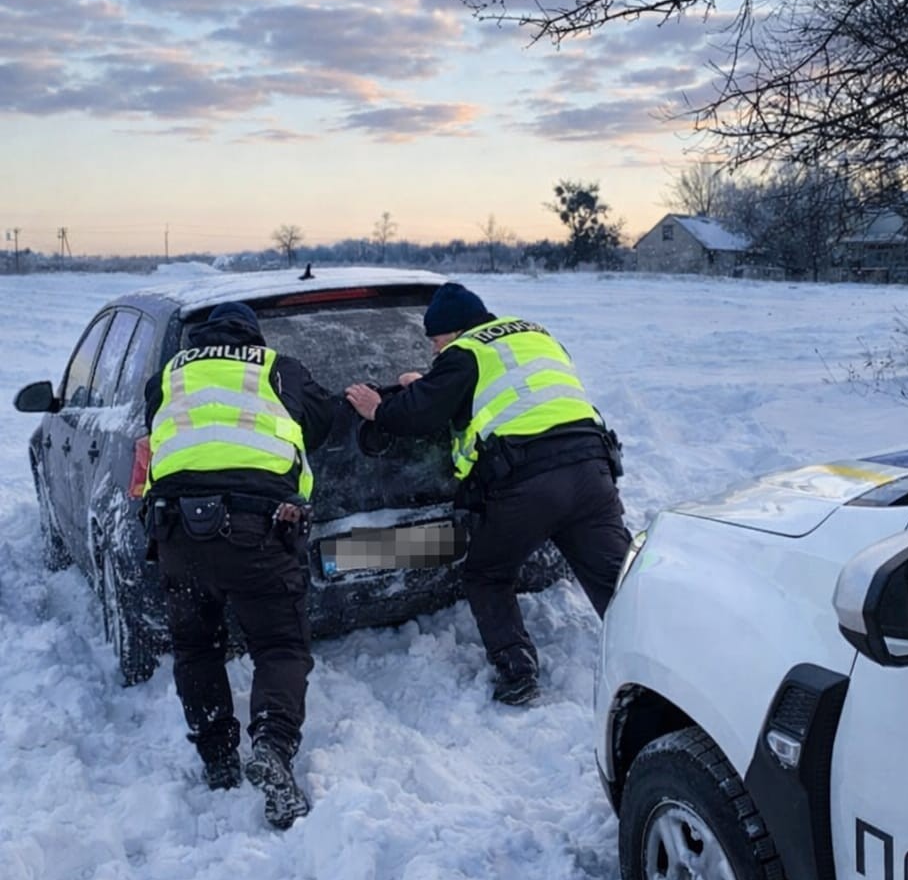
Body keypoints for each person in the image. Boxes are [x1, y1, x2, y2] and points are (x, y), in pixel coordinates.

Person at [345, 282, 631, 706]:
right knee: (616, 580)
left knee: (487, 574)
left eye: (437, 342)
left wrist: (378, 409)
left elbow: (422, 413)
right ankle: (663, 663)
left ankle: (517, 672)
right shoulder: (535, 335)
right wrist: (433, 381)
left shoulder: (464, 353)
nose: (435, 351)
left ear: (455, 331)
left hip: (528, 483)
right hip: (592, 471)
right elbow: (511, 391)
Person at [143, 300, 336, 828]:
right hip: (259, 530)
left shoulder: (168, 376)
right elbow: (320, 422)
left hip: (178, 533)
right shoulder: (277, 368)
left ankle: (218, 758)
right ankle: (272, 747)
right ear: (255, 338)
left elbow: (158, 429)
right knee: (278, 645)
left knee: (195, 647)